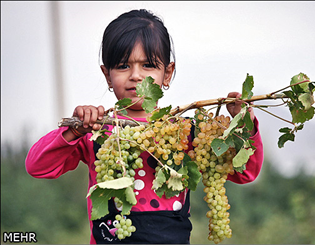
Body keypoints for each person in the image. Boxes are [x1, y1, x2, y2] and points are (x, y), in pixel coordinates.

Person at [25, 9, 264, 244]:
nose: (136, 76)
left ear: (167, 73)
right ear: (107, 75)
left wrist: (244, 125)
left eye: (148, 65)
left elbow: (245, 172)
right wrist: (75, 131)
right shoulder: (96, 132)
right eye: (122, 66)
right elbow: (37, 166)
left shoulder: (184, 132)